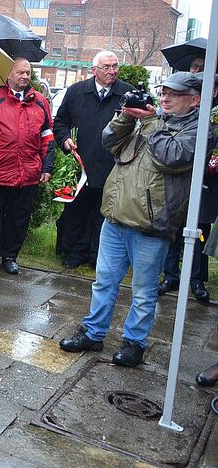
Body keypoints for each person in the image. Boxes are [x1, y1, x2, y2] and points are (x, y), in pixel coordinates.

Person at [59, 72, 205, 367]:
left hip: (150, 225)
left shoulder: (198, 131)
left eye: (173, 95)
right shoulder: (150, 122)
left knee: (143, 291)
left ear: (195, 100)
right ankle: (93, 332)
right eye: (163, 93)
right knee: (104, 282)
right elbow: (108, 141)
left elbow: (170, 157)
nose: (165, 99)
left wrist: (150, 122)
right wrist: (127, 116)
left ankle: (134, 343)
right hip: (115, 217)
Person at [0, 58, 54, 275]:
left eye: (28, 72)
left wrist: (47, 166)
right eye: (20, 72)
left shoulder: (41, 102)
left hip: (28, 172)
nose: (25, 76)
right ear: (8, 75)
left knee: (19, 218)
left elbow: (47, 136)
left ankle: (10, 256)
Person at [53, 51, 132, 269]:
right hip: (81, 166)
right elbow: (60, 122)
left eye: (115, 66)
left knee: (104, 215)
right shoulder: (77, 92)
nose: (112, 71)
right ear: (94, 70)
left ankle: (97, 256)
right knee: (77, 212)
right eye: (106, 67)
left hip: (113, 167)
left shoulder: (127, 94)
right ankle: (74, 252)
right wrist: (65, 139)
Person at [159, 55, 215, 301]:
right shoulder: (175, 114)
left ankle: (196, 280)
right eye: (194, 67)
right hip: (176, 184)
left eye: (202, 69)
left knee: (198, 232)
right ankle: (171, 274)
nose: (197, 71)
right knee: (173, 231)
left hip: (205, 185)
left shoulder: (209, 119)